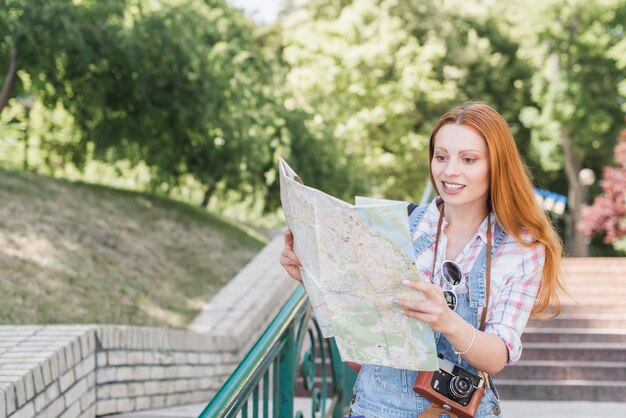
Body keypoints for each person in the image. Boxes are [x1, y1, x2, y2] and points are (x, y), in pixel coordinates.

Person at [279, 102, 564, 418]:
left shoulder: (520, 247)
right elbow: (362, 348)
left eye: (468, 159)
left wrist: (446, 321)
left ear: (496, 165)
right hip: (373, 408)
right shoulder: (396, 224)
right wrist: (311, 277)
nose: (449, 170)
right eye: (441, 157)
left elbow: (497, 356)